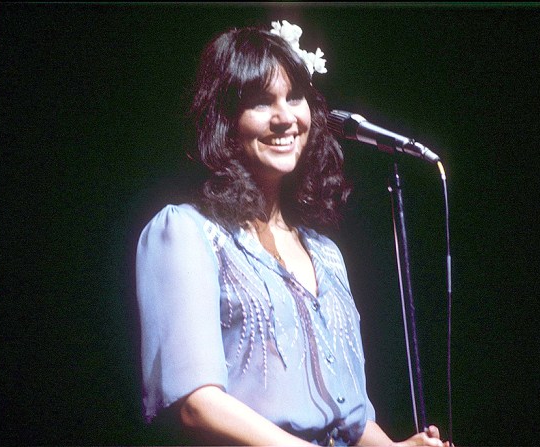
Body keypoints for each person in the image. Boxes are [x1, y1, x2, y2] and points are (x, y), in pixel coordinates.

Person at [136, 20, 450, 446]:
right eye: (261, 102)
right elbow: (198, 404)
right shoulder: (186, 233)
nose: (285, 118)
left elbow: (349, 422)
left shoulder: (325, 254)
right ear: (225, 119)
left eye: (294, 97)